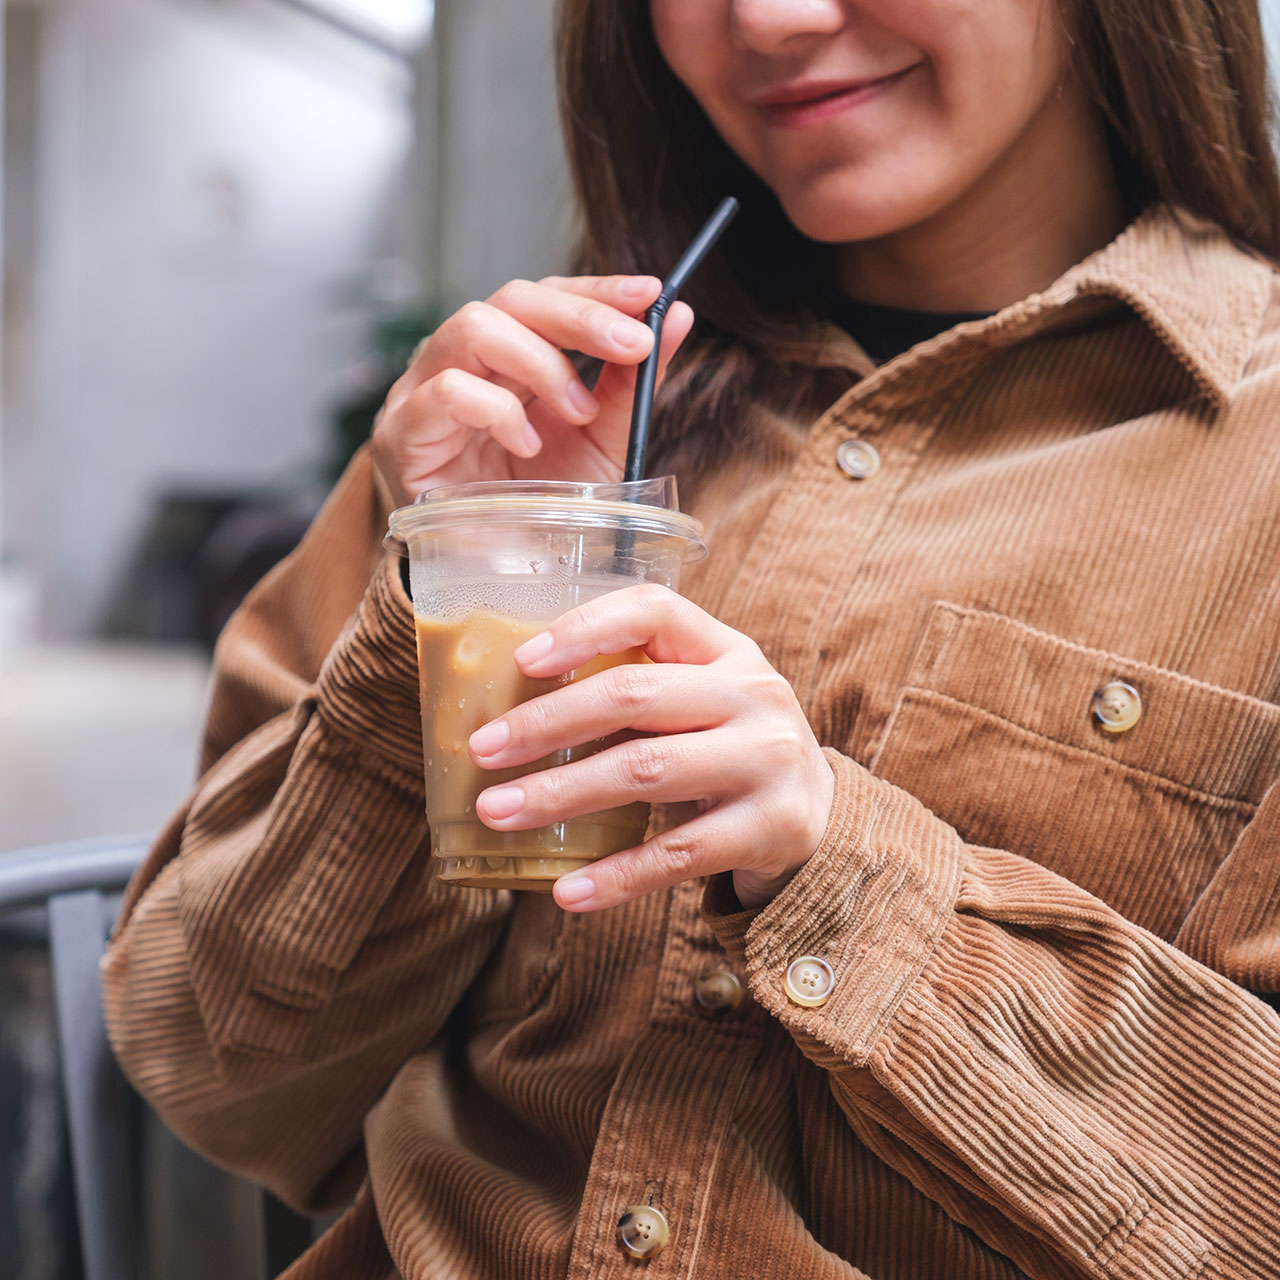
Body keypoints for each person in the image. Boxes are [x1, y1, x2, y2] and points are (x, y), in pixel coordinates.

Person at [104, 0, 1280, 1275]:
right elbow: (212, 1078)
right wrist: (445, 619)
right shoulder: (518, 426)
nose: (768, 19)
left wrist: (849, 877)